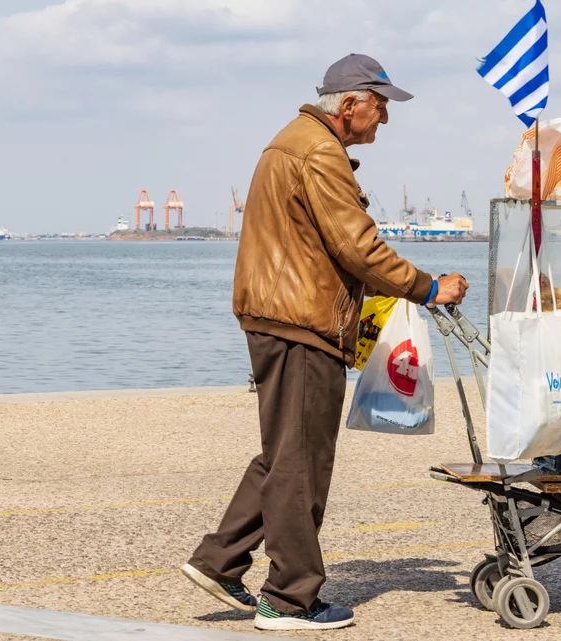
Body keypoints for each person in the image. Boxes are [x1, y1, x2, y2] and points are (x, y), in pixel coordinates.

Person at [181, 53, 469, 632]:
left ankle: (219, 560)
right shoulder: (318, 151)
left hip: (280, 316)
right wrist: (427, 287)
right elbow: (357, 245)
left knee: (283, 455)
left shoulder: (297, 142)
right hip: (300, 321)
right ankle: (289, 600)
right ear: (350, 103)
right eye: (380, 105)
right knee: (302, 464)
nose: (384, 119)